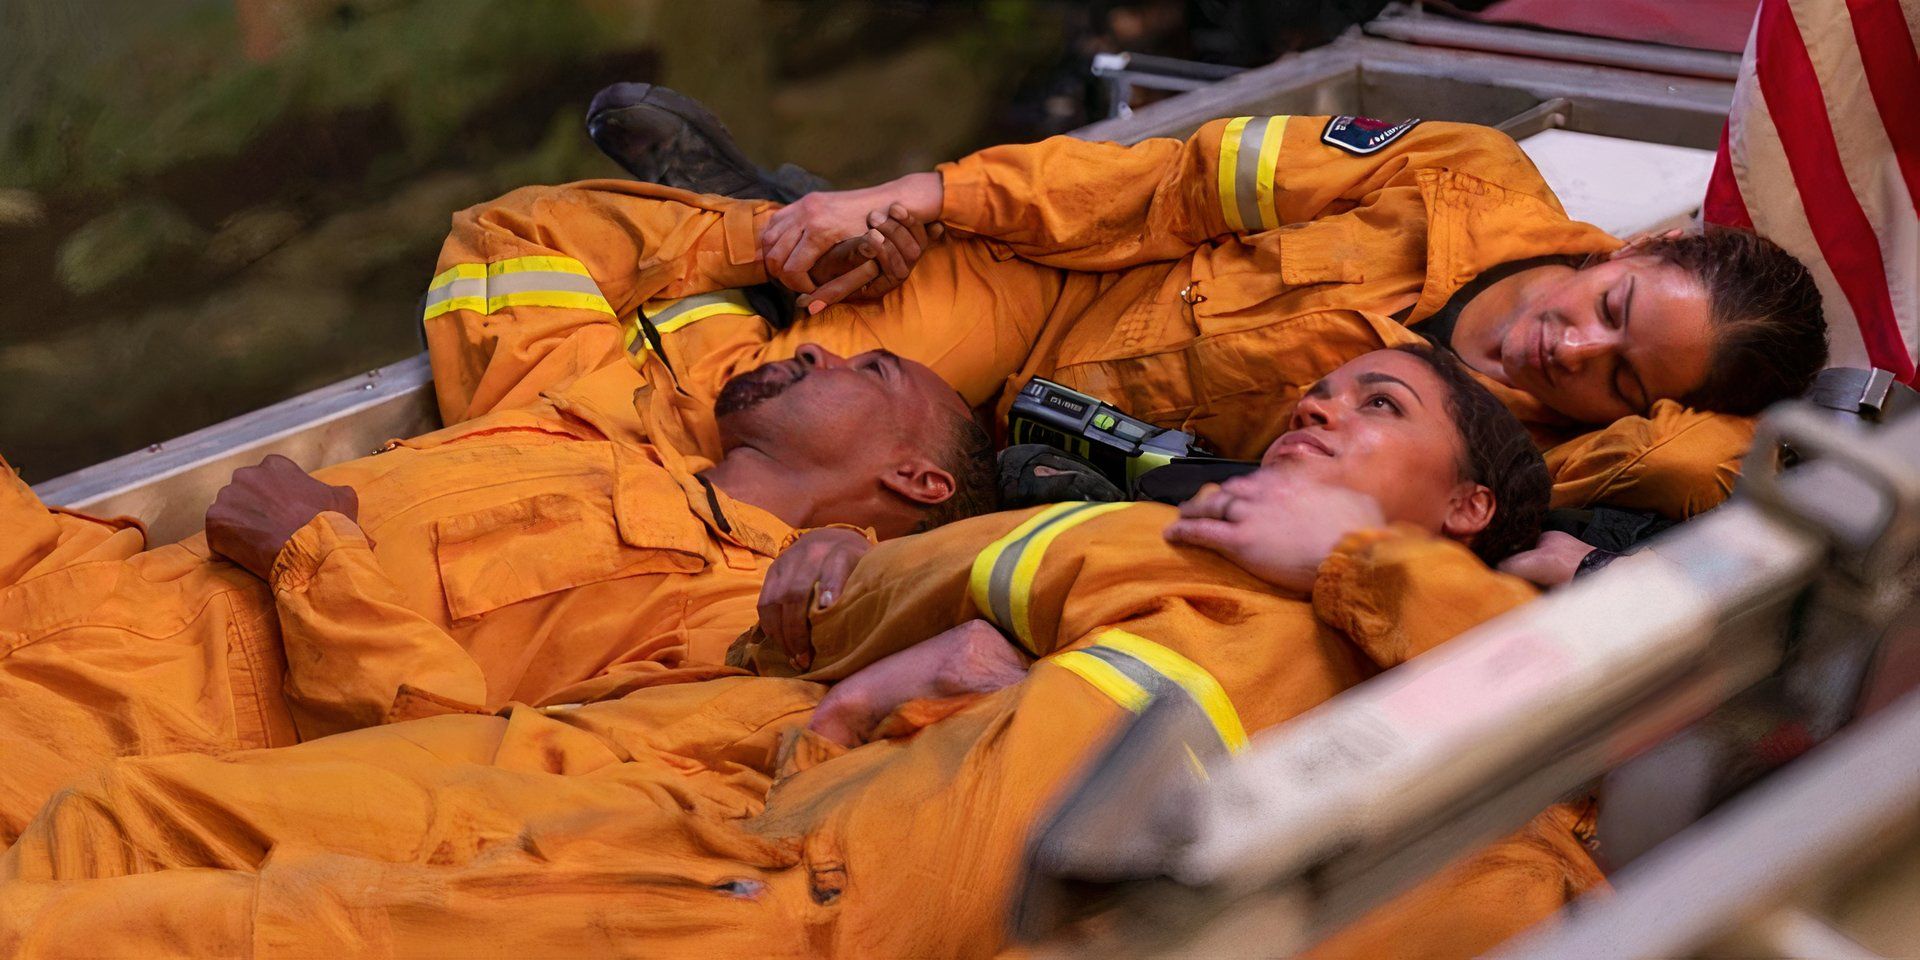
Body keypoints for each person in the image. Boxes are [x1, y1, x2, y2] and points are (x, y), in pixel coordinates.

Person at [0, 348, 1593, 960]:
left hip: (736, 894)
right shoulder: (624, 422)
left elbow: (1565, 710)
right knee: (123, 839)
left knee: (134, 879)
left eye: (1377, 410)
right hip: (92, 598)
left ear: (1460, 514)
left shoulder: (1446, 684)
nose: (1319, 406)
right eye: (1318, 394)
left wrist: (315, 553)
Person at [494, 85, 1824, 527]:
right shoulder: (1462, 179)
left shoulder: (1532, 456)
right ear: (1633, 245)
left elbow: (1710, 467)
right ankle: (780, 212)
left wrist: (1683, 413)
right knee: (734, 400)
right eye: (1613, 303)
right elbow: (1163, 186)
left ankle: (764, 220)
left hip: (1057, 455)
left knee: (772, 478)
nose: (1573, 347)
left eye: (1625, 374)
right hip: (1049, 292)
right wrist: (925, 188)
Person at [0, 344, 995, 845]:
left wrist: (309, 552)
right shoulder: (608, 429)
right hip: (58, 573)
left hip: (102, 731)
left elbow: (468, 778)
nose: (817, 350)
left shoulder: (737, 630)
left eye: (871, 367)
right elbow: (516, 236)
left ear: (917, 480)